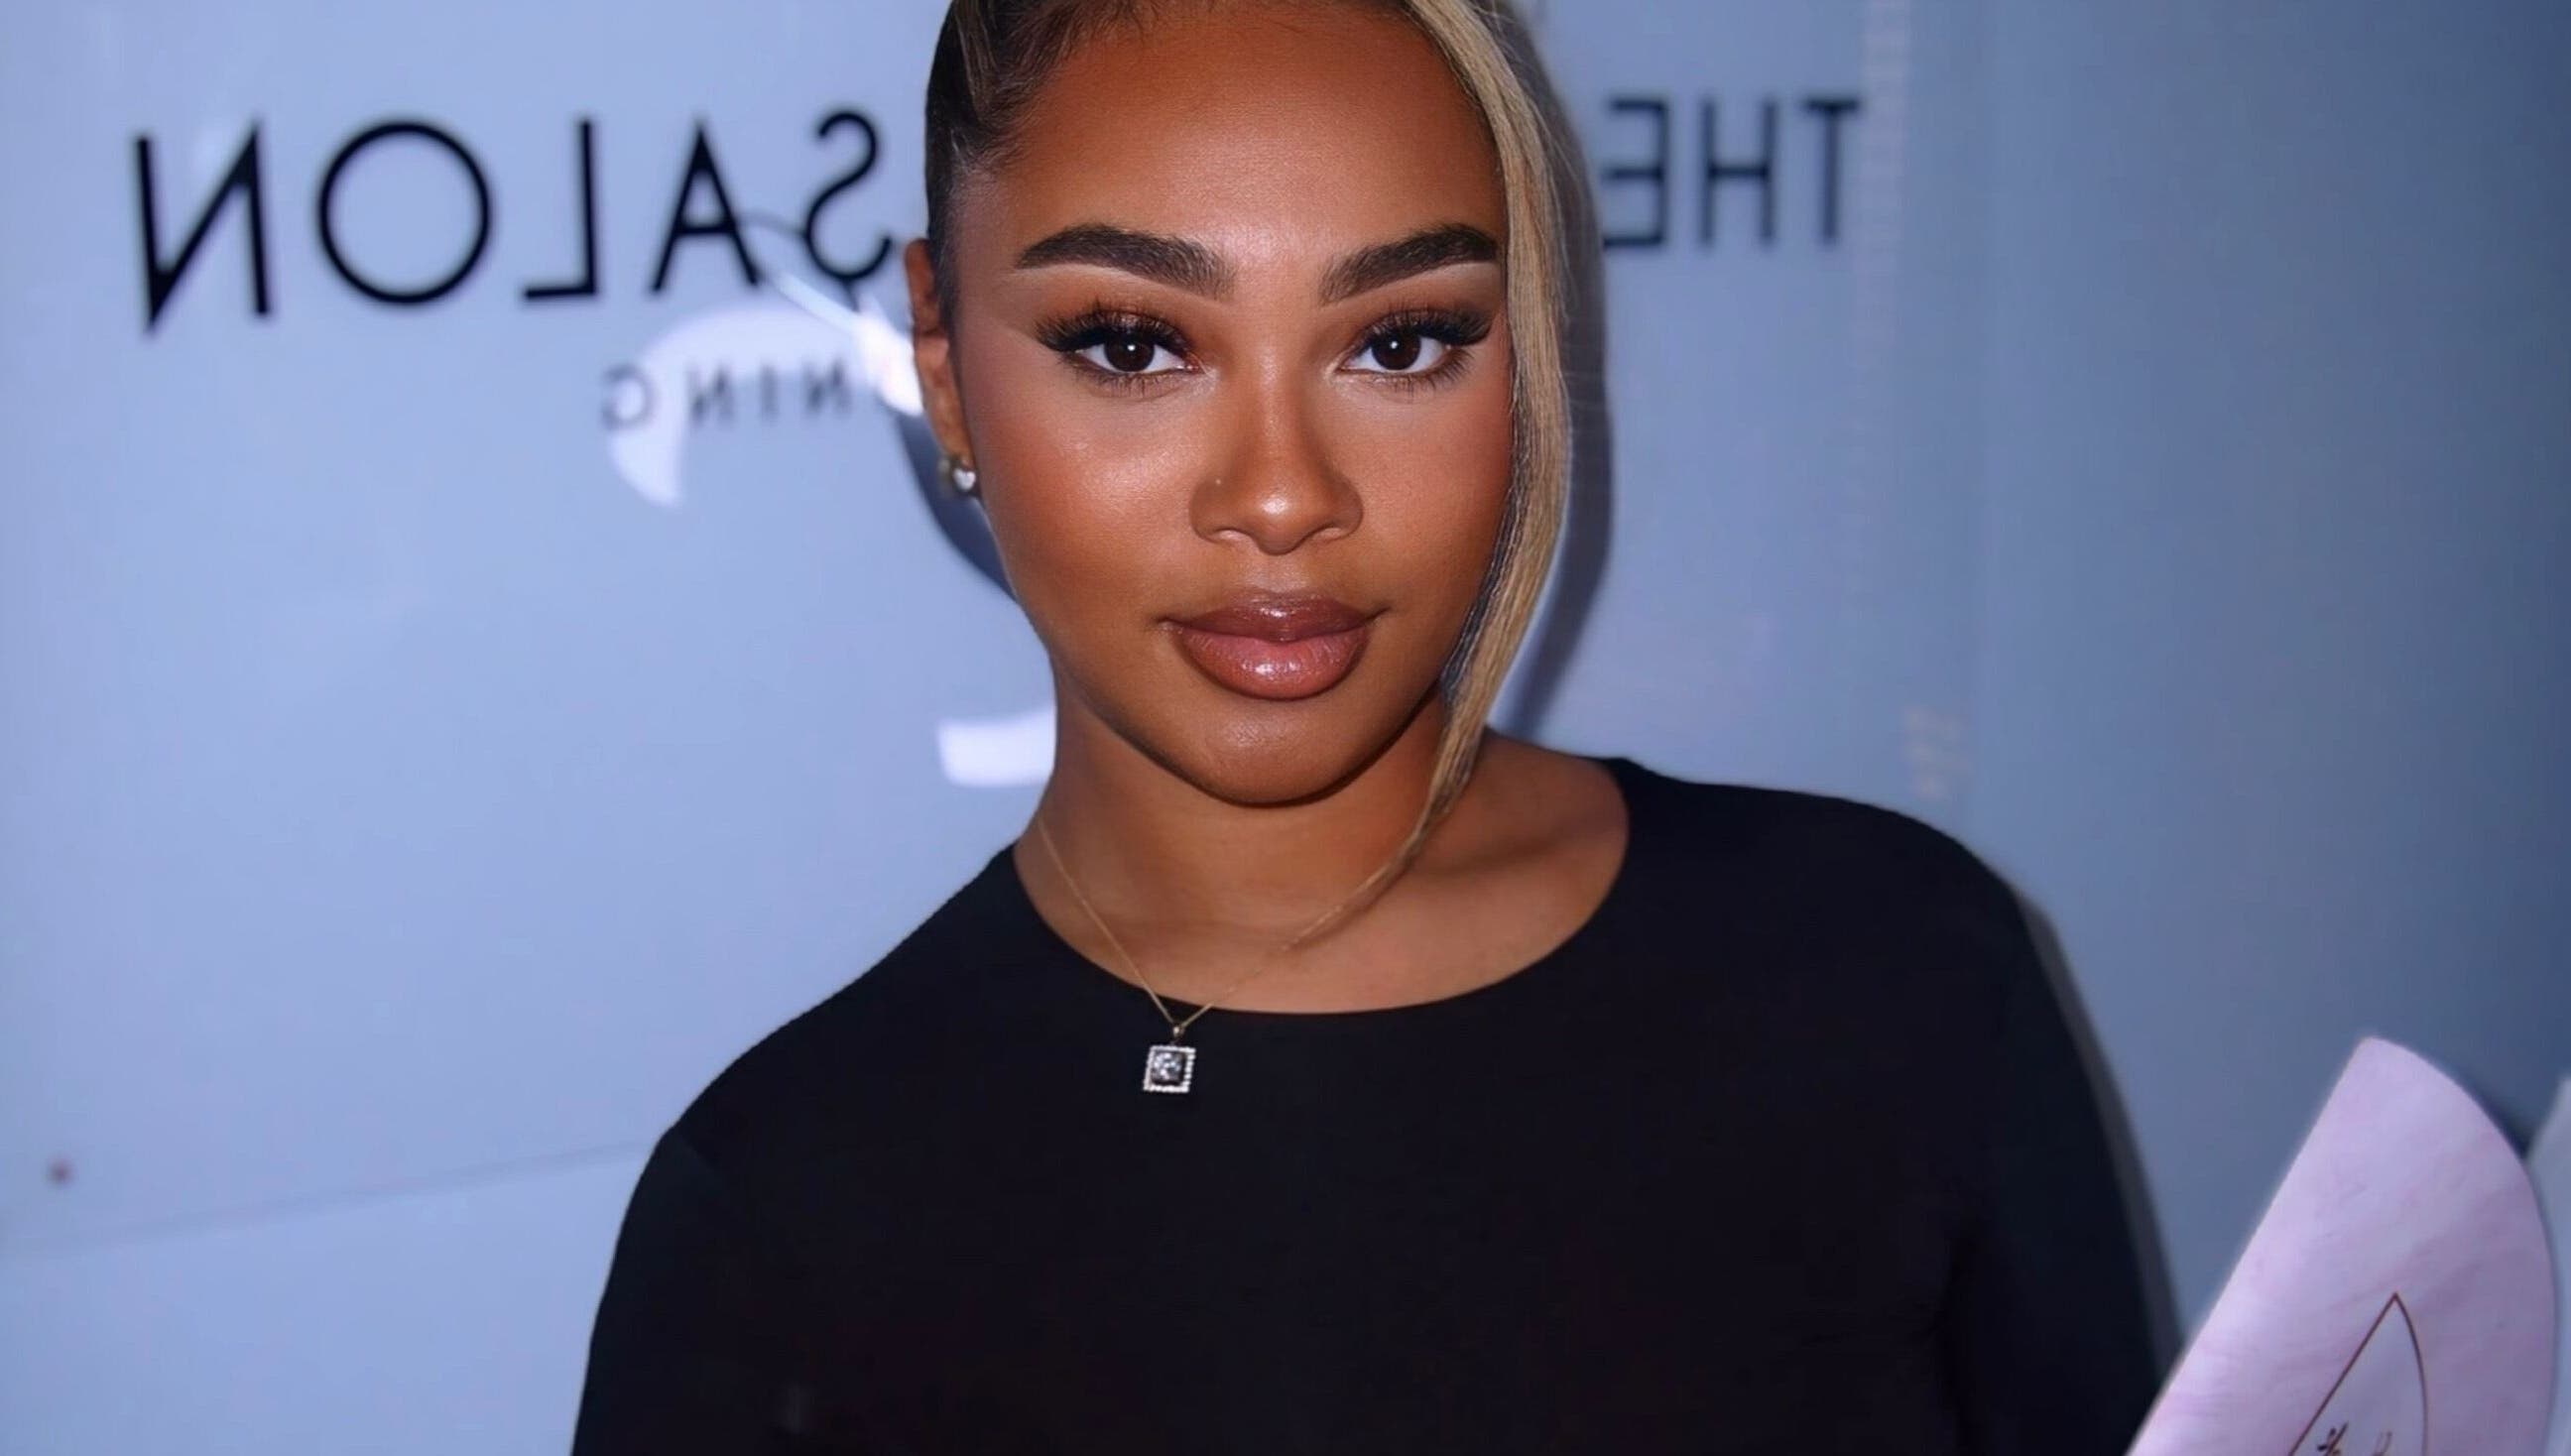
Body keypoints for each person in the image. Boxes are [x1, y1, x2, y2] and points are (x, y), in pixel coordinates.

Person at [568, 0, 2163, 1450]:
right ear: (947, 367)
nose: (1283, 494)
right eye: (1133, 344)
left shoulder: (1902, 968)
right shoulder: (781, 1220)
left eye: (1401, 342)